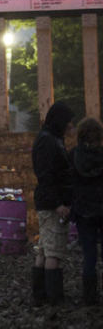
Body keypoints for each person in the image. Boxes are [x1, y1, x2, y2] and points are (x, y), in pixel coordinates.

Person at [32, 101, 75, 306]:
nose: (71, 126)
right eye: (68, 122)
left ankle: (39, 295)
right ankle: (54, 298)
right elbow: (47, 175)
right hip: (52, 204)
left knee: (44, 250)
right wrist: (58, 204)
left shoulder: (48, 139)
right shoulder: (50, 142)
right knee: (54, 252)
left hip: (46, 201)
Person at [68, 116, 103, 305]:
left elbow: (68, 182)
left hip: (83, 210)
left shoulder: (73, 155)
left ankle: (89, 296)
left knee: (89, 255)